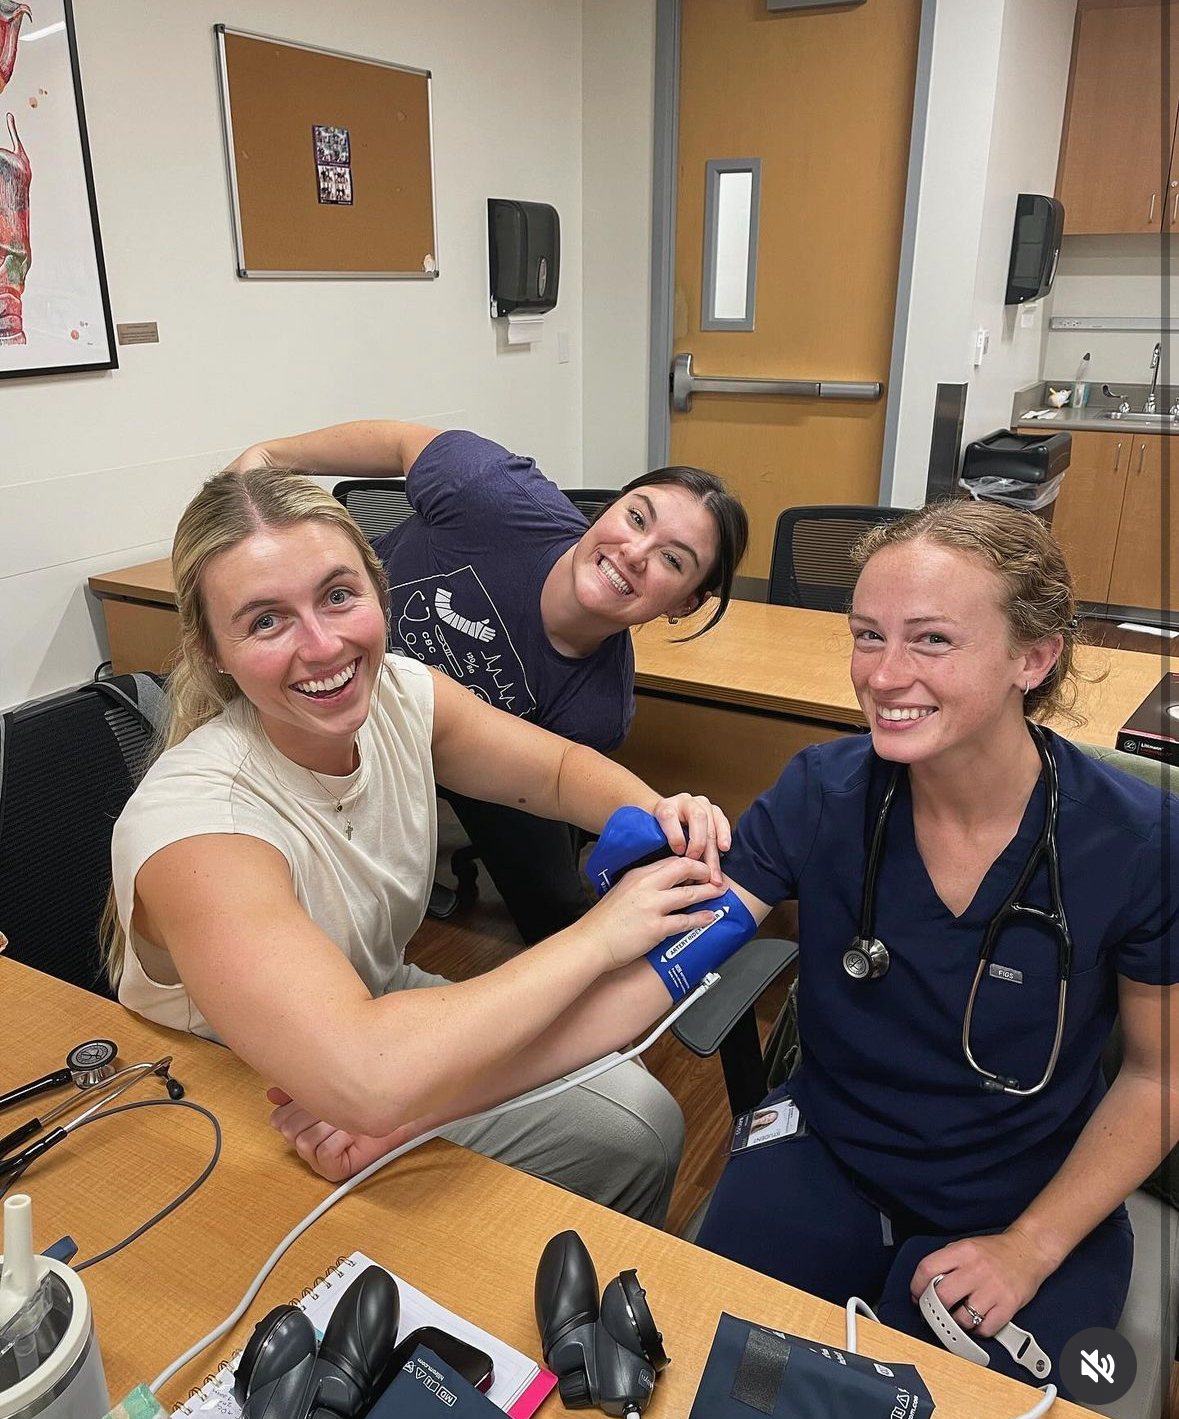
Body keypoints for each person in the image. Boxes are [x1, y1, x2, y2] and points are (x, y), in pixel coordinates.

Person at [105, 467, 738, 1227]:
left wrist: (660, 813)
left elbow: (558, 771)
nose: (322, 645)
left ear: (379, 590)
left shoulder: (400, 694)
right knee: (614, 1134)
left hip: (367, 1010)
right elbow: (365, 1072)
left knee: (637, 1123)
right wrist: (600, 937)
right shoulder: (200, 822)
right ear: (212, 649)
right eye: (266, 621)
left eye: (338, 596)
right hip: (221, 1081)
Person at [694, 500, 1178, 1397]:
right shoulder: (821, 792)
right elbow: (663, 963)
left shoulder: (1138, 841)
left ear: (1033, 658)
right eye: (866, 634)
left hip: (1027, 1190)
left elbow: (1160, 1077)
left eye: (931, 640)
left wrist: (1030, 1246)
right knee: (732, 1385)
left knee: (949, 1404)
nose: (882, 675)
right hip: (829, 1153)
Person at [228, 422, 748, 945]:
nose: (635, 552)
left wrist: (666, 817)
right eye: (636, 517)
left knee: (555, 911)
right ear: (608, 508)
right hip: (324, 697)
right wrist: (269, 456)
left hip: (442, 754)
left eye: (671, 559)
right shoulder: (495, 494)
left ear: (685, 604)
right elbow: (400, 443)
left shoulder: (595, 710)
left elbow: (551, 775)